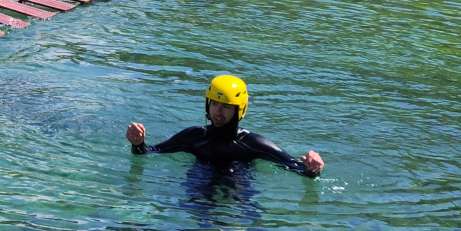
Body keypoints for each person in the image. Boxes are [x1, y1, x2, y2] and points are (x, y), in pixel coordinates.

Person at [125, 74, 324, 177]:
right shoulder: (194, 136)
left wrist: (312, 167)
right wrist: (138, 142)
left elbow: (296, 168)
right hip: (199, 182)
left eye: (227, 107)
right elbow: (149, 152)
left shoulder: (253, 143)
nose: (218, 113)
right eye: (214, 104)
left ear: (240, 109)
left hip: (237, 187)